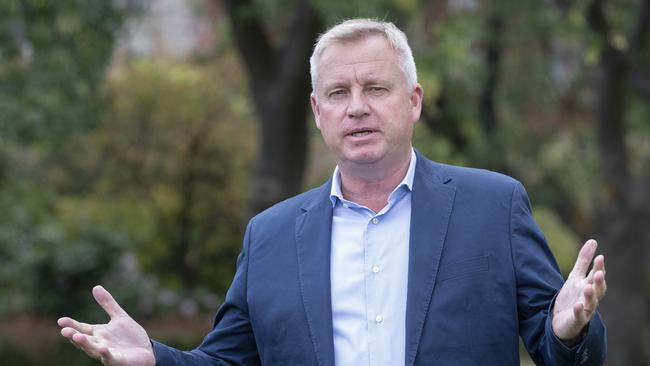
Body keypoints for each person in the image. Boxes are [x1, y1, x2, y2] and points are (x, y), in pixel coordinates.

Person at [58, 18, 607, 366]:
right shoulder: (270, 235)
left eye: (375, 88)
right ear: (318, 112)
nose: (357, 106)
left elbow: (560, 345)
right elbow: (227, 362)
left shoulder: (494, 206)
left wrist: (567, 330)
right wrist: (154, 358)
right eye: (339, 93)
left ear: (413, 100)